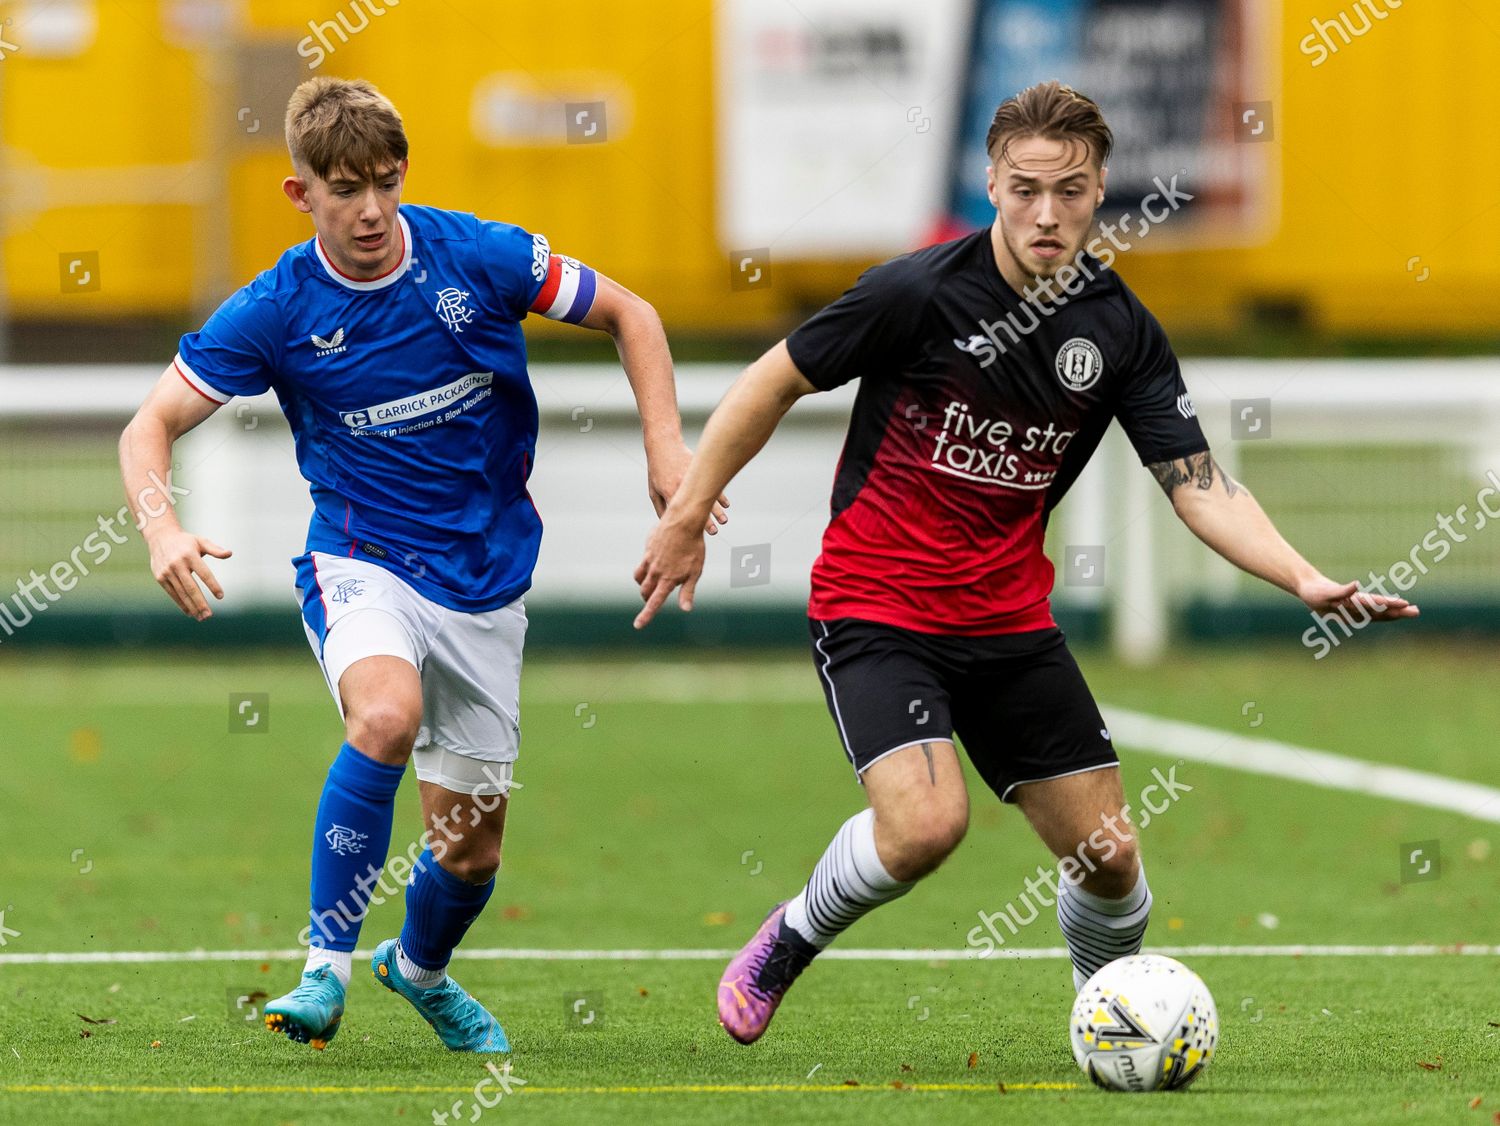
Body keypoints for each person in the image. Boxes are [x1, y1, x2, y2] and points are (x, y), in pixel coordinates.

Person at [632, 80, 1416, 1045]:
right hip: (877, 605)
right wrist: (691, 508)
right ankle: (788, 941)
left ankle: (1108, 1015)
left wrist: (1301, 575)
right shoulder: (917, 291)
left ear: (1101, 191)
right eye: (1026, 189)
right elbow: (773, 379)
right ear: (992, 184)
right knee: (925, 827)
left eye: (1073, 191)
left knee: (1112, 859)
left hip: (1006, 623)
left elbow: (1197, 481)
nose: (1048, 214)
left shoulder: (1121, 328)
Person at [119, 76, 723, 1052]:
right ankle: (325, 969)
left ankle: (420, 968)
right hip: (361, 561)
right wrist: (160, 528)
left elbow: (634, 315)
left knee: (472, 852)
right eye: (344, 188)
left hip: (485, 576)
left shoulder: (477, 256)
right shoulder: (276, 308)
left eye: (385, 184)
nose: (369, 210)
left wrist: (670, 455)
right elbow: (150, 425)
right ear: (299, 192)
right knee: (387, 715)